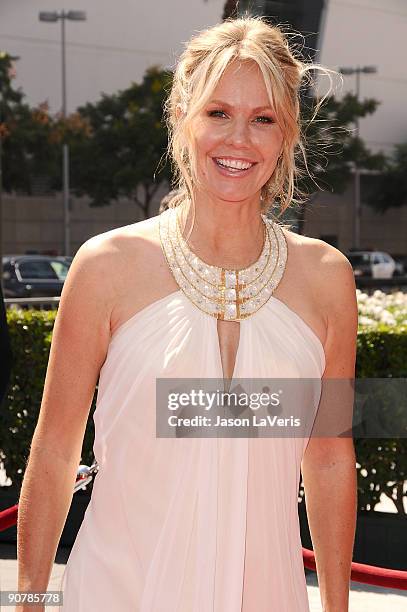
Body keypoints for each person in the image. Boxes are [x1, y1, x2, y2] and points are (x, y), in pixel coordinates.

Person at [16, 15, 358, 612]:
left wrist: (336, 608)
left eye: (264, 119)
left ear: (287, 135)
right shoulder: (107, 266)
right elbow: (55, 448)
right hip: (120, 591)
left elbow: (328, 456)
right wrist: (29, 602)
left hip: (268, 596)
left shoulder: (326, 279)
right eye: (218, 113)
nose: (239, 140)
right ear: (181, 117)